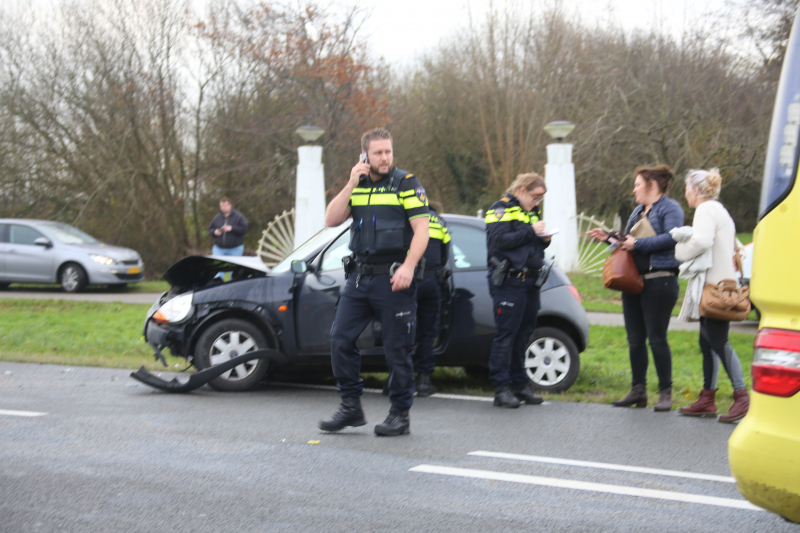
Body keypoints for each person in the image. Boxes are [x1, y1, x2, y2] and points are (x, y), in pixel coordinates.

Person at [319, 128, 429, 436]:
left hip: (393, 278)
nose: (385, 157)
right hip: (359, 278)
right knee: (340, 338)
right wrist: (352, 181)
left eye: (388, 152)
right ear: (365, 155)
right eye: (378, 152)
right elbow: (331, 219)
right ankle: (350, 406)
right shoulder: (359, 185)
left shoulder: (406, 184)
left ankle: (399, 414)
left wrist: (409, 266)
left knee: (397, 349)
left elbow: (422, 230)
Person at [587, 165, 684, 412]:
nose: (634, 190)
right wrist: (608, 237)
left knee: (657, 338)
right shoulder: (638, 210)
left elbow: (673, 237)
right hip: (633, 282)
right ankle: (638, 391)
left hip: (660, 281)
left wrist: (638, 243)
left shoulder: (670, 208)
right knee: (634, 340)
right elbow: (626, 242)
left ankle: (665, 393)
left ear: (653, 185)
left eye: (638, 185)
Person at [674, 168, 749, 422]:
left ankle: (742, 397)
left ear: (696, 190)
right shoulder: (720, 210)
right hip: (723, 286)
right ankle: (707, 398)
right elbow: (736, 247)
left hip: (714, 290)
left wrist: (679, 252)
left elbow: (702, 242)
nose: (685, 194)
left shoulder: (705, 210)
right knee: (707, 343)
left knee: (718, 342)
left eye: (686, 189)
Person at [484, 173, 551, 408]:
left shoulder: (530, 211)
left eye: (541, 199)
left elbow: (530, 242)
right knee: (506, 335)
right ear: (521, 190)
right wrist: (532, 231)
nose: (537, 203)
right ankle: (501, 388)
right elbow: (500, 240)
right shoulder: (499, 208)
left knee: (524, 334)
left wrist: (544, 238)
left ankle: (520, 385)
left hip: (530, 282)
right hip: (509, 282)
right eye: (535, 197)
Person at [413, 201, 452, 397]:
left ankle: (398, 379)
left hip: (408, 280)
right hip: (432, 282)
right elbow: (445, 255)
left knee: (402, 331)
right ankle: (424, 381)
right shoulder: (440, 221)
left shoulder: (408, 217)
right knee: (427, 333)